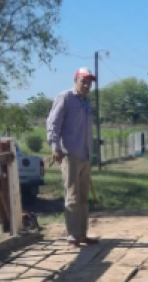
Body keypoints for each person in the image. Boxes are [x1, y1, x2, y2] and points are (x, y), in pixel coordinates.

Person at [46, 67, 99, 249]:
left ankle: (82, 234)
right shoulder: (66, 97)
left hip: (85, 154)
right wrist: (55, 146)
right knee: (72, 196)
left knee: (83, 197)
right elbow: (53, 123)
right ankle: (72, 236)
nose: (86, 85)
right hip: (69, 154)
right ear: (75, 80)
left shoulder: (86, 102)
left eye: (89, 83)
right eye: (83, 81)